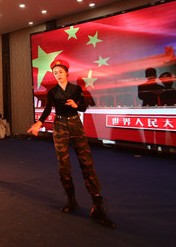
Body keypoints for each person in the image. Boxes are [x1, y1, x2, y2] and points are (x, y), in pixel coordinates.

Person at [27, 59, 115, 229]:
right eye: (55, 73)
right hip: (60, 127)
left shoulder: (76, 89)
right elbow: (47, 109)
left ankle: (97, 206)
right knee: (64, 166)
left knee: (86, 163)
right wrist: (39, 123)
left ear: (67, 73)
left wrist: (76, 104)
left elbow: (83, 107)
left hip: (75, 125)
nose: (58, 75)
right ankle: (71, 200)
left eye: (60, 72)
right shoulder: (52, 92)